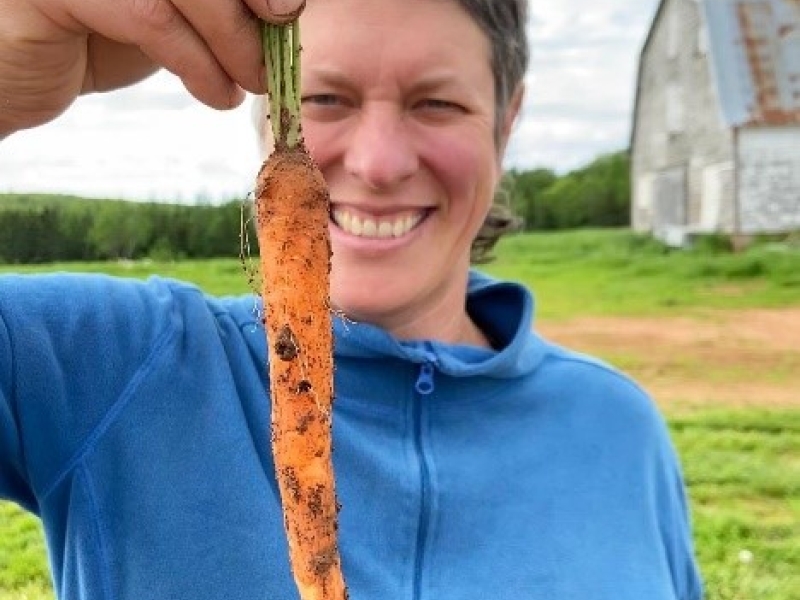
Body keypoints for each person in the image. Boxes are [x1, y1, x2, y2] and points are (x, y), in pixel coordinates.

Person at [0, 0, 704, 598]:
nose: (378, 163)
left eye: (437, 102)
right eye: (324, 99)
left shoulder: (619, 432)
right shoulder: (105, 368)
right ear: (264, 112)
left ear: (507, 117)